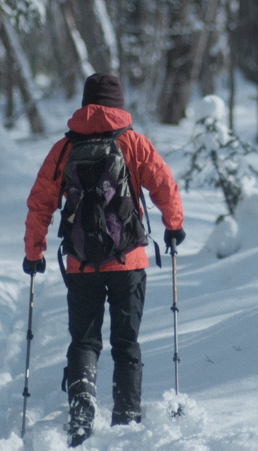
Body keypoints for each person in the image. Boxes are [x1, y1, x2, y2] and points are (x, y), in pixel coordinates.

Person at [23, 73, 185, 446]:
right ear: (118, 103)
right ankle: (126, 418)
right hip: (129, 260)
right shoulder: (132, 142)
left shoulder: (64, 149)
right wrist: (173, 226)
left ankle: (81, 410)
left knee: (84, 340)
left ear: (84, 103)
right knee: (126, 341)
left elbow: (41, 201)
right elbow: (164, 183)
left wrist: (35, 252)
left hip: (81, 262)